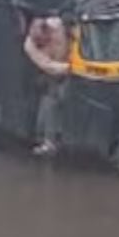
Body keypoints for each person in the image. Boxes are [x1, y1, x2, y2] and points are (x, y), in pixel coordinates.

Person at [23, 15, 71, 156]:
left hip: (72, 60)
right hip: (54, 73)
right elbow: (47, 65)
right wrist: (71, 67)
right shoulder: (29, 46)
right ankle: (48, 141)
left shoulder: (58, 25)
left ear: (49, 31)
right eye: (38, 43)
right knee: (51, 102)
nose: (41, 45)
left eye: (42, 41)